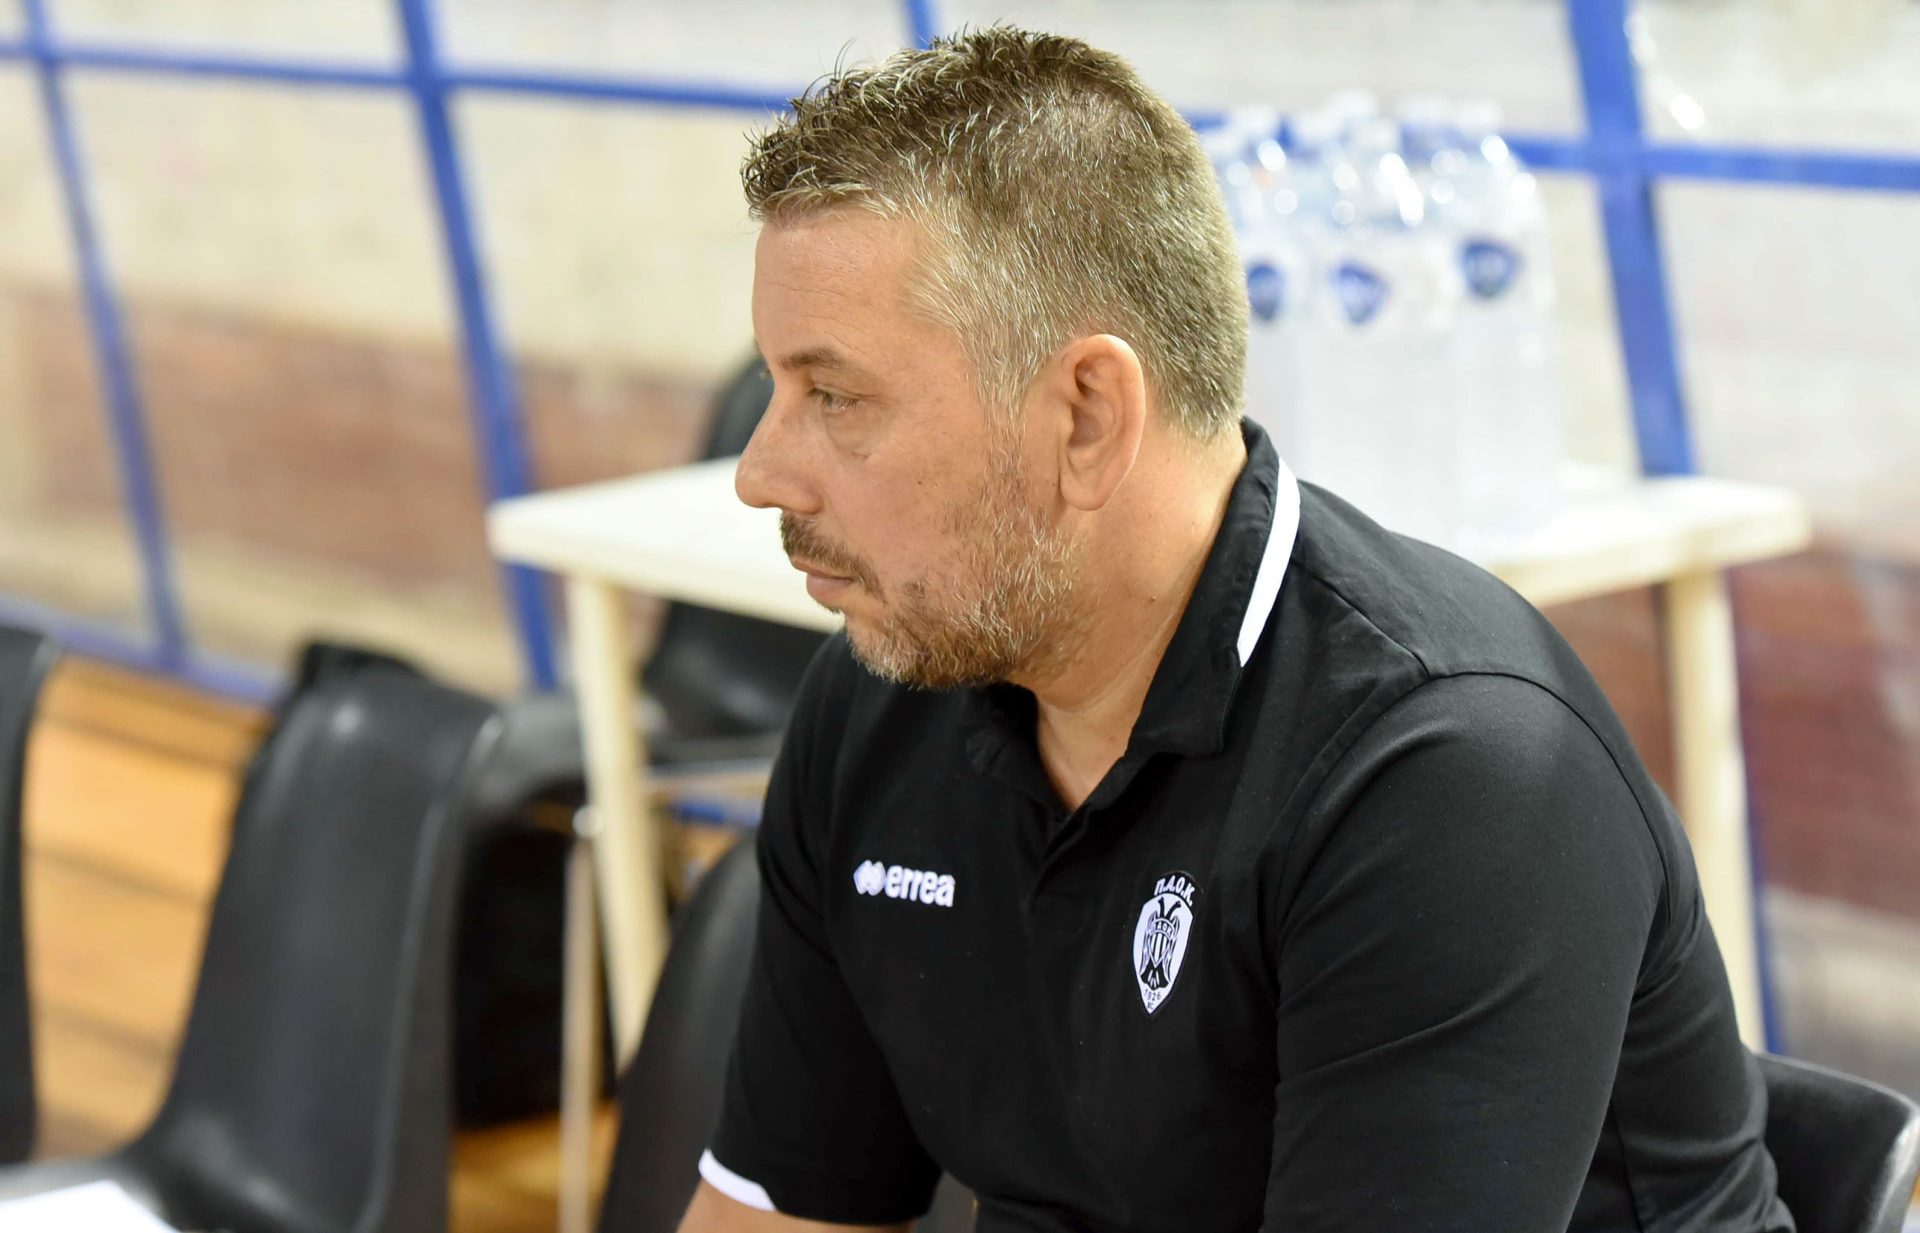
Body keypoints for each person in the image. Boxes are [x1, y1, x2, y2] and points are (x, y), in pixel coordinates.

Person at [679, 26, 1794, 1233]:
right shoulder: (883, 698)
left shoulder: (1451, 775)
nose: (759, 472)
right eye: (775, 388)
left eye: (835, 396)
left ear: (1088, 416)